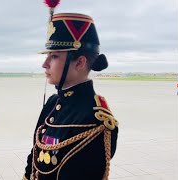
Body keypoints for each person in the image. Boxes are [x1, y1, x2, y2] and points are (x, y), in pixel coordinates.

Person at [23, 1, 119, 179]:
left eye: (54, 56)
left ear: (80, 62)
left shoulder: (96, 119)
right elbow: (34, 158)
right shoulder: (54, 102)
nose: (44, 64)